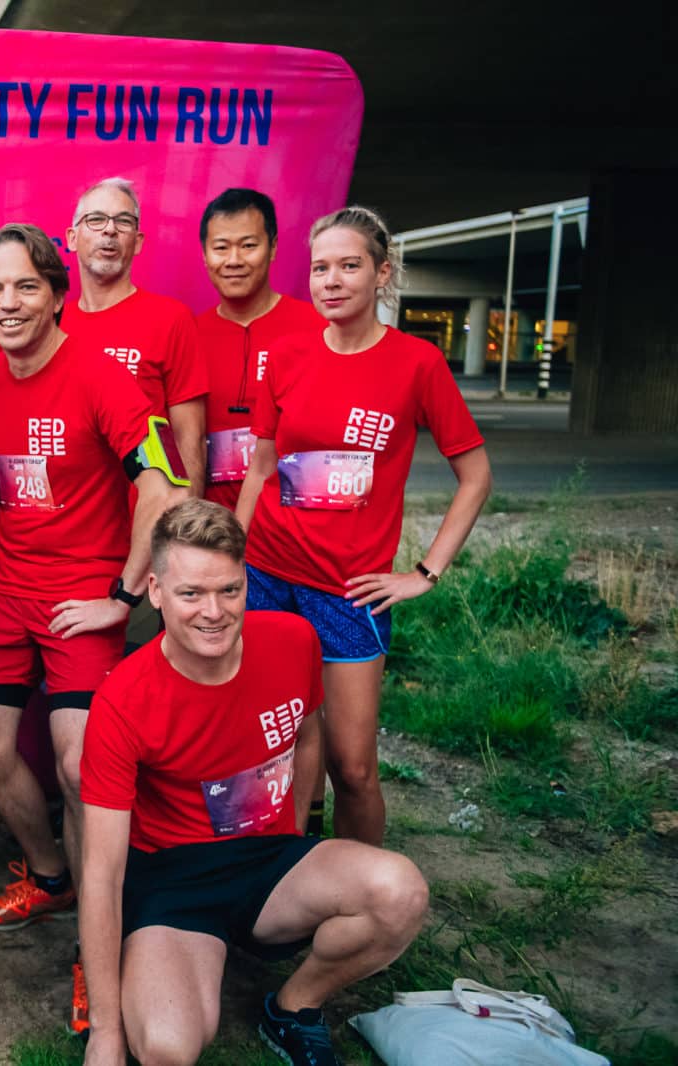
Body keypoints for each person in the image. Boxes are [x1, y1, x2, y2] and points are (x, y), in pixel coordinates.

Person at [79, 499, 429, 1066]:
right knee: (168, 1049)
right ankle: (167, 962)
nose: (213, 612)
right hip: (174, 880)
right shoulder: (122, 700)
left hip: (267, 860)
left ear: (247, 583)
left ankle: (293, 1005)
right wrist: (104, 1032)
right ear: (156, 592)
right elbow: (101, 873)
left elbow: (308, 735)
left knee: (400, 893)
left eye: (230, 590)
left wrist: (296, 833)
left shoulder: (293, 639)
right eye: (191, 593)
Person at [0, 223, 189, 1035]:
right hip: (5, 590)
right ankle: (52, 878)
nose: (8, 303)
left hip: (82, 595)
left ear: (57, 295)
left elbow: (163, 483)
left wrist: (122, 597)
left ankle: (102, 947)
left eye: (26, 286)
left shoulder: (102, 375)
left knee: (80, 765)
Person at [235, 206, 491, 845]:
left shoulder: (417, 363)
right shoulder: (286, 355)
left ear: (382, 273)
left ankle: (360, 889)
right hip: (267, 576)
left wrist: (425, 573)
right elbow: (261, 466)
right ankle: (283, 873)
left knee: (351, 769)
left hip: (348, 591)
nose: (331, 280)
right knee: (273, 751)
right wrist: (232, 558)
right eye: (319, 267)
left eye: (349, 266)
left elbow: (476, 476)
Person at [61, 177, 209, 495]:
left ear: (138, 241)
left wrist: (186, 519)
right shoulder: (53, 325)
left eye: (123, 222)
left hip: (148, 510)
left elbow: (189, 436)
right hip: (75, 513)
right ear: (72, 238)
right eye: (96, 220)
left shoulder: (171, 319)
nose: (109, 230)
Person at [195, 188, 326, 514]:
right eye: (221, 247)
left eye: (248, 246)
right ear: (205, 254)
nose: (234, 260)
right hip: (209, 521)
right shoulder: (187, 334)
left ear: (273, 248)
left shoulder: (319, 328)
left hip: (290, 519)